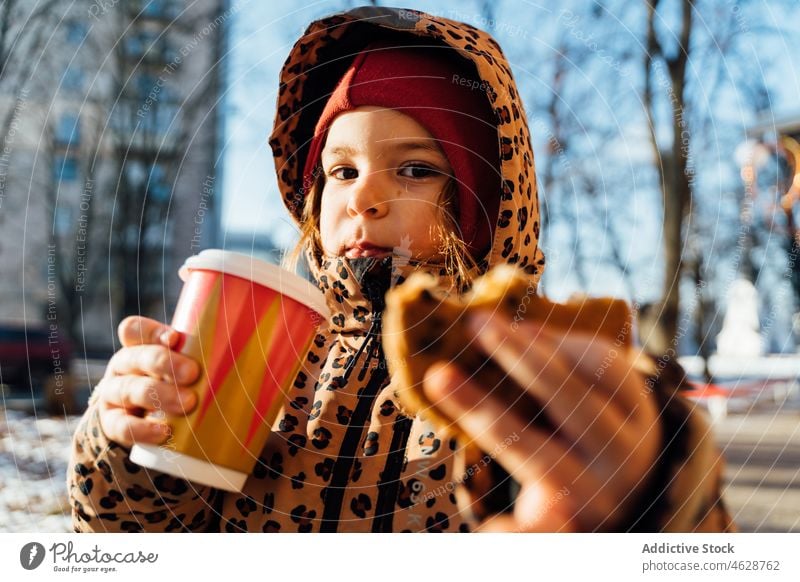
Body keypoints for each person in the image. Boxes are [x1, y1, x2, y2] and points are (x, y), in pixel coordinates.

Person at [68, 6, 734, 533]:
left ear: (486, 205)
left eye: (415, 168)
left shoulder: (535, 367)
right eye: (342, 172)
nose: (362, 196)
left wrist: (643, 495)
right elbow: (137, 533)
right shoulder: (268, 361)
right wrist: (128, 438)